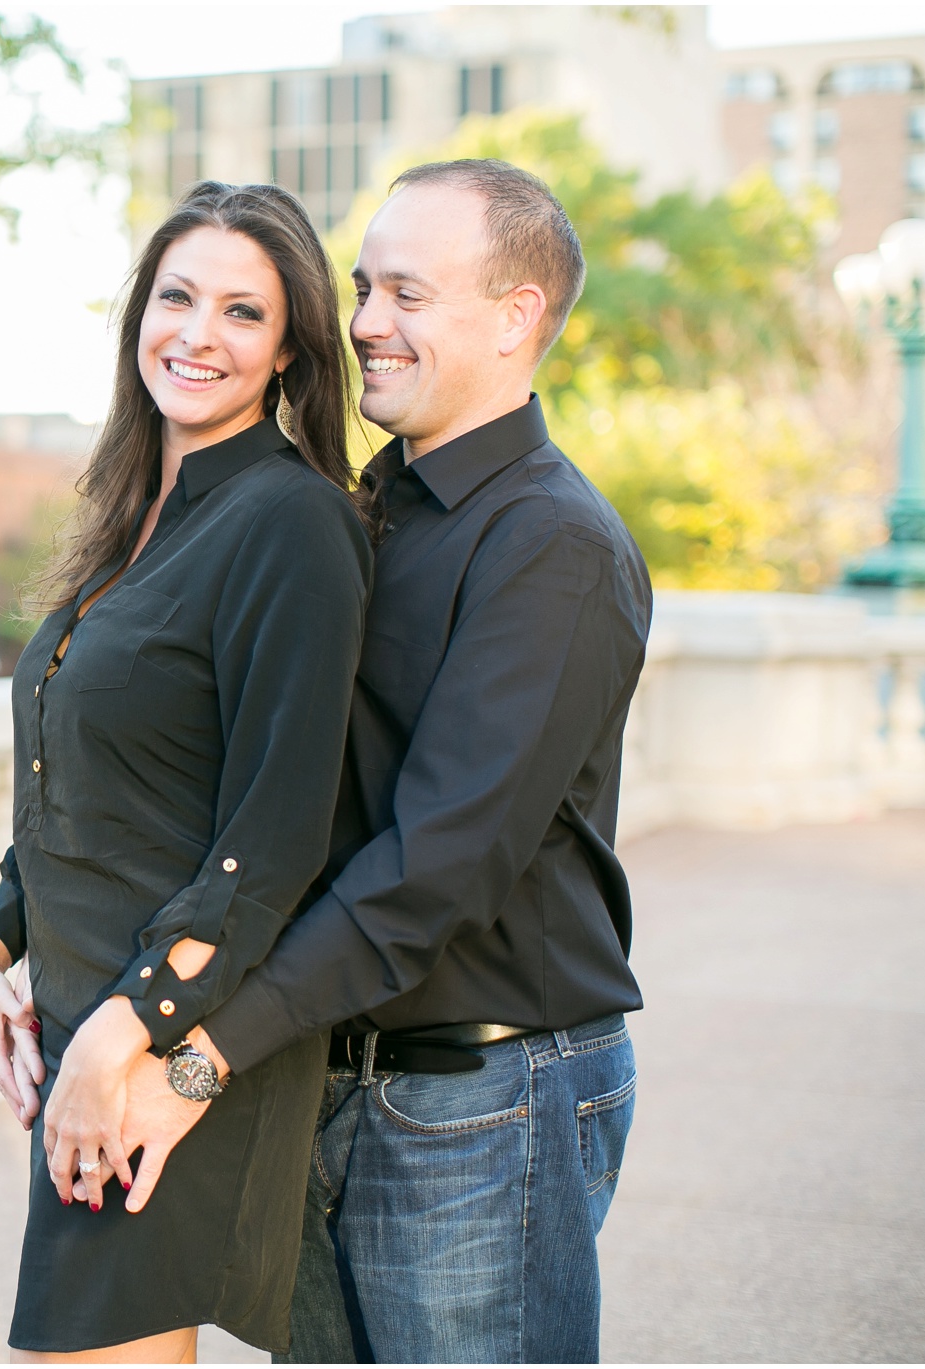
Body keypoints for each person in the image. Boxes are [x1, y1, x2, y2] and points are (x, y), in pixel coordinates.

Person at [162, 159, 645, 1364]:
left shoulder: (552, 547)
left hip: (480, 1102)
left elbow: (438, 861)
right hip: (333, 1075)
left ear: (513, 315)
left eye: (406, 294)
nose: (363, 320)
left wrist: (204, 1049)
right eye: (364, 285)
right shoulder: (363, 512)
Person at [0, 180, 372, 1363]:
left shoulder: (292, 524)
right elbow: (81, 770)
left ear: (290, 348)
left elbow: (275, 835)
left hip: (159, 1044)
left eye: (242, 312)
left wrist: (124, 1035)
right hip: (84, 1022)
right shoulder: (129, 517)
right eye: (177, 295)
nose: (196, 334)